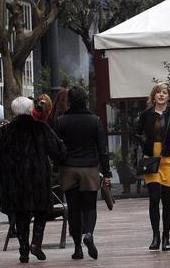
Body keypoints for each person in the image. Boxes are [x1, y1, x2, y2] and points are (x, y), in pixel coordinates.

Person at [0, 96, 66, 263]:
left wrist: (5, 174)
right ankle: (36, 242)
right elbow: (58, 151)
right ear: (30, 109)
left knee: (21, 215)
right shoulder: (40, 128)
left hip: (15, 181)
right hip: (38, 178)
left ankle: (23, 249)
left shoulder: (5, 131)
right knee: (41, 211)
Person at [55, 86, 112, 260]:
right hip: (89, 168)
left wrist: (60, 162)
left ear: (69, 100)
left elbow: (57, 147)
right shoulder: (95, 121)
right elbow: (102, 149)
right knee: (89, 206)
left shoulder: (61, 121)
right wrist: (107, 172)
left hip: (69, 168)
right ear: (86, 100)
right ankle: (89, 233)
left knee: (73, 209)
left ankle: (78, 248)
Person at [134, 83, 170, 251]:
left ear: (169, 96)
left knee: (166, 199)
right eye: (158, 92)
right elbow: (136, 133)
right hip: (151, 158)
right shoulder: (145, 114)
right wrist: (144, 143)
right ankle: (155, 236)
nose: (161, 95)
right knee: (154, 198)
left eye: (164, 92)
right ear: (153, 96)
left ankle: (166, 237)